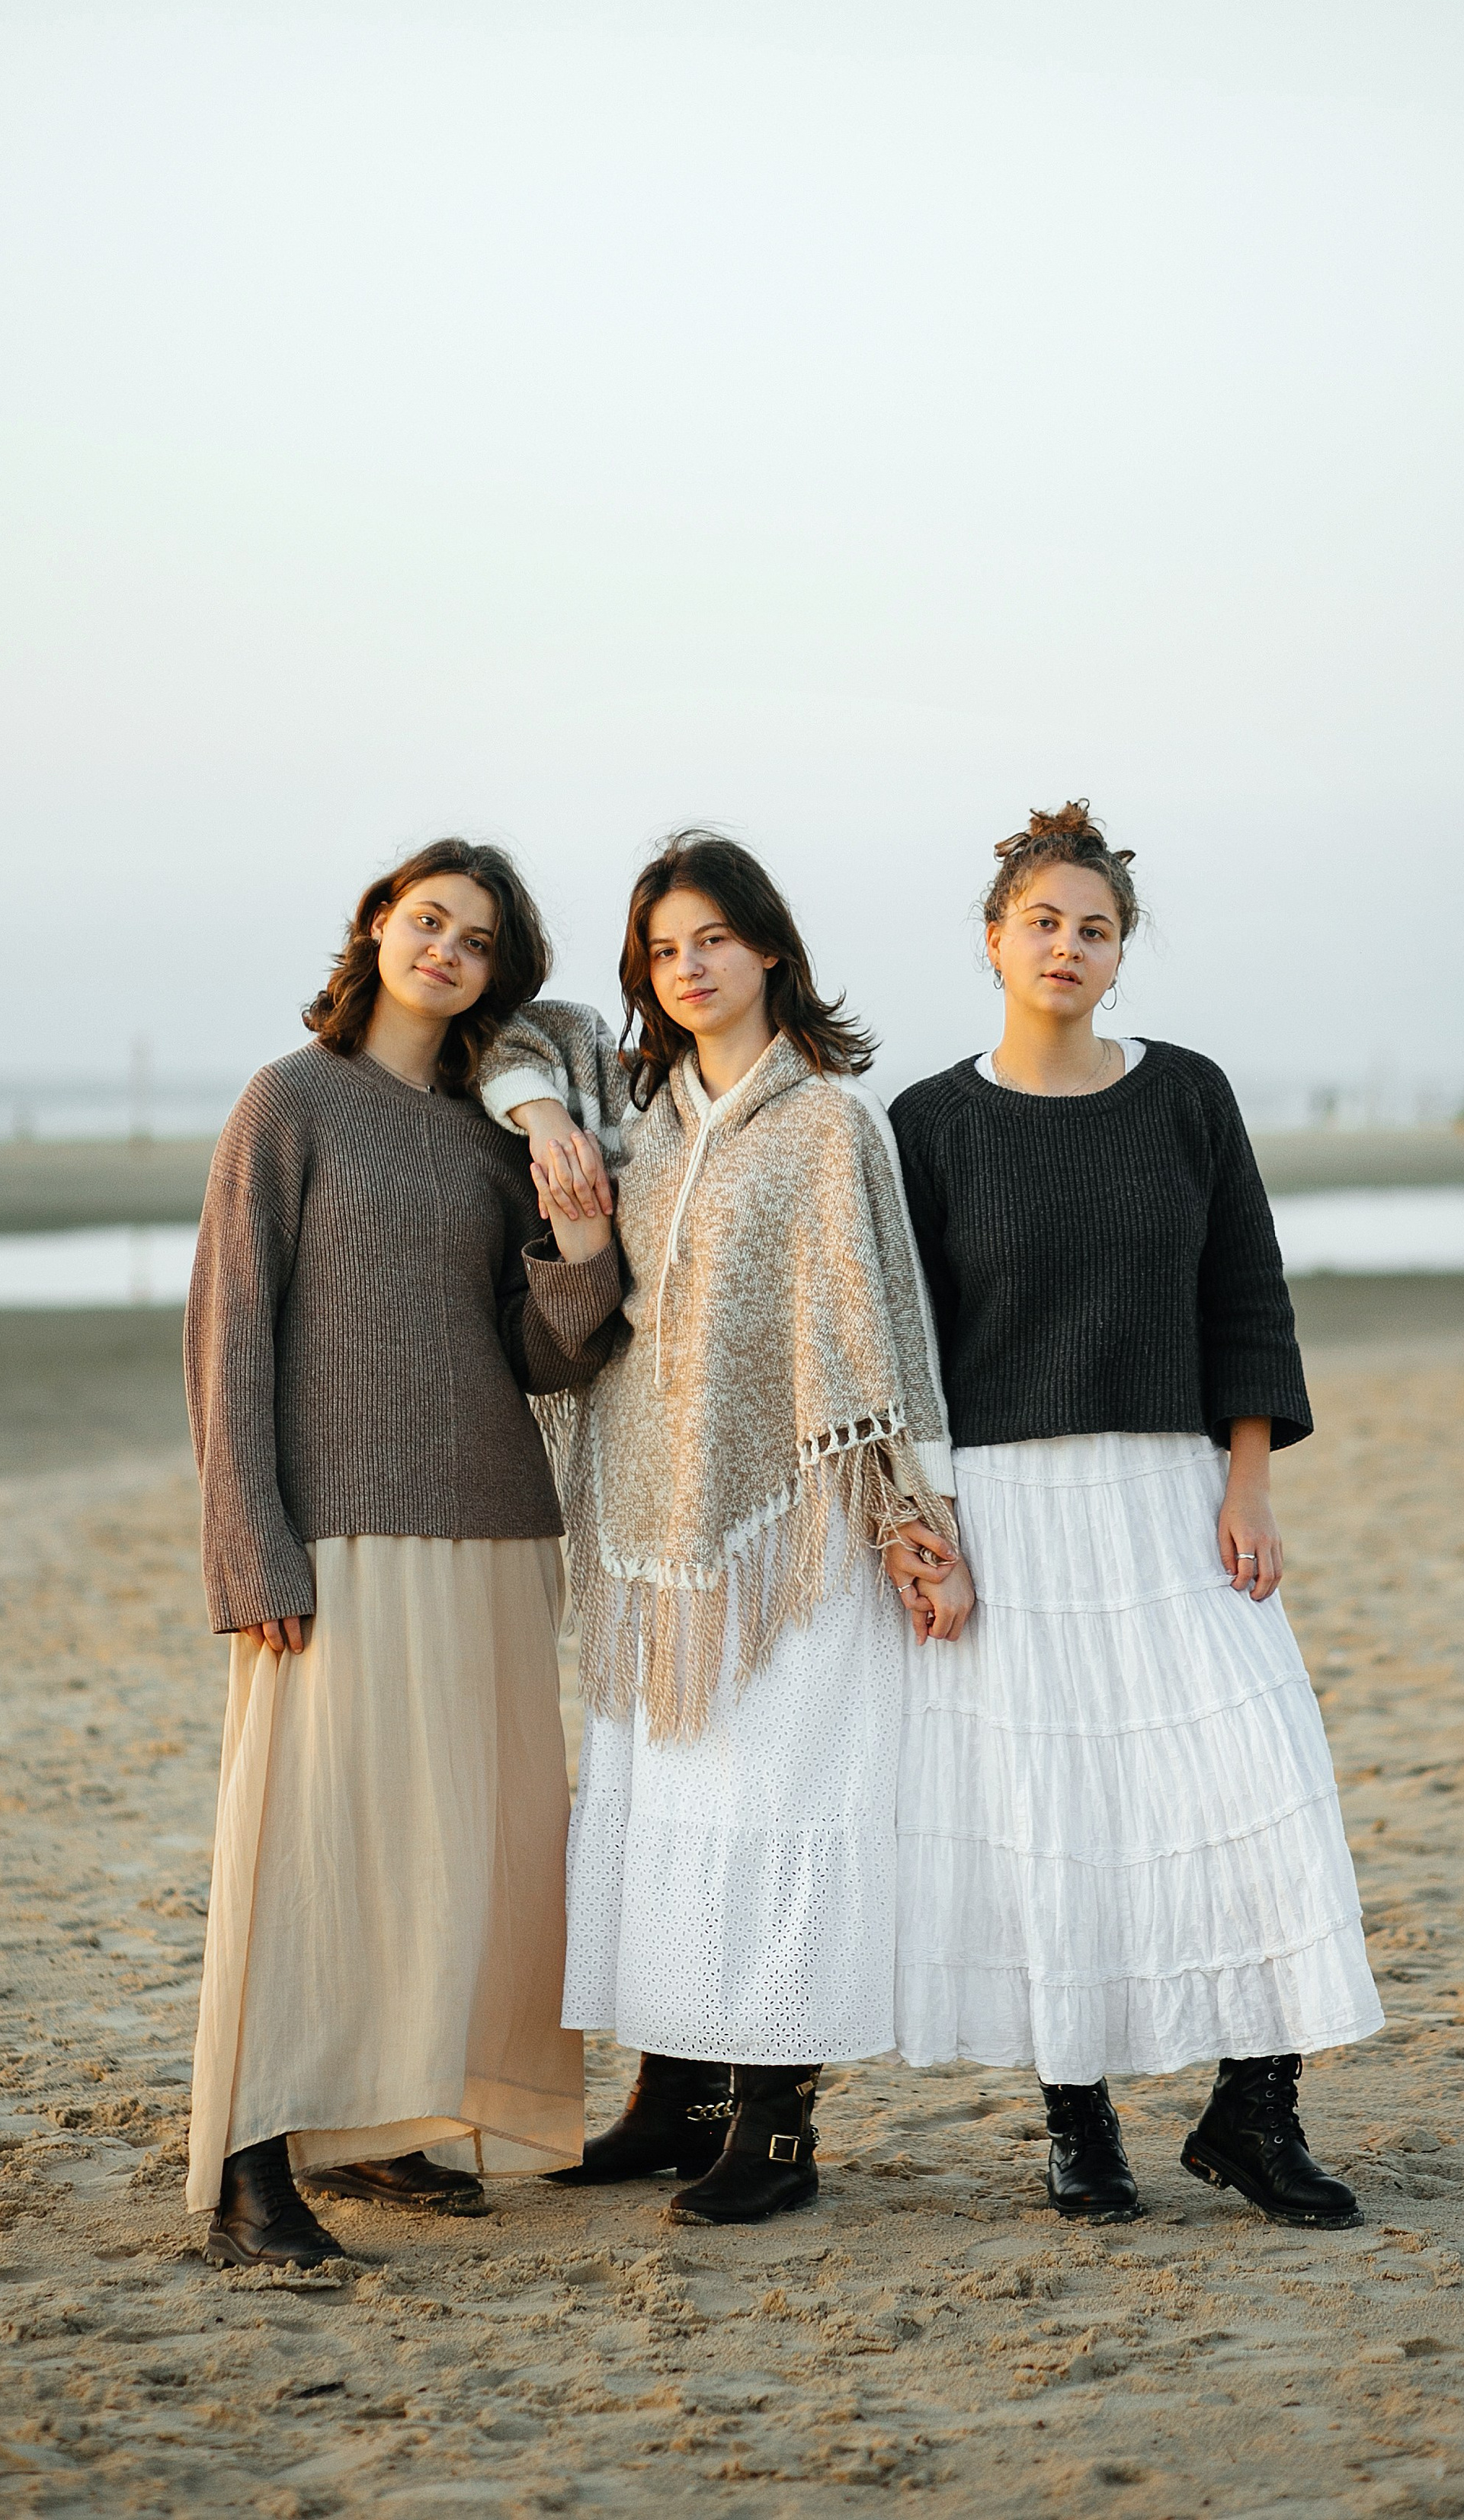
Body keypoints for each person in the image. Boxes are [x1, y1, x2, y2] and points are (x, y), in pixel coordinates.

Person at [887, 802, 1382, 2229]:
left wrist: (1249, 1479)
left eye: (1094, 928)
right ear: (994, 940)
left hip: (1174, 1492)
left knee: (1257, 1781)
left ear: (1120, 955)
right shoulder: (927, 1124)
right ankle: (1078, 2122)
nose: (1068, 945)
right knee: (1053, 1821)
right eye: (1043, 921)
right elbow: (904, 1346)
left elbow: (1247, 1293)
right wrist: (924, 1527)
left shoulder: (1187, 1096)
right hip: (1008, 1510)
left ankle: (1254, 2112)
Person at [479, 833, 967, 2225]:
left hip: (793, 1533)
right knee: (665, 1813)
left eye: (712, 939)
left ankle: (775, 2129)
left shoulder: (829, 1124)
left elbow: (880, 1324)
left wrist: (915, 1520)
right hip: (648, 1526)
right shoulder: (632, 1110)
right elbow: (512, 1034)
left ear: (770, 949)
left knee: (776, 1812)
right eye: (662, 949)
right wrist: (545, 1124)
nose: (687, 968)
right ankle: (674, 2098)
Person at [182, 839, 623, 2269]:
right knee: (308, 1845)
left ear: (499, 975)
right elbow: (231, 1331)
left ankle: (387, 2122)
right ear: (378, 925)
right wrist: (249, 1548)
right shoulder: (291, 1100)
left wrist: (579, 1244)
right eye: (428, 920)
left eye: (477, 940)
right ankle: (252, 2172)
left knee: (458, 1856)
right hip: (335, 1532)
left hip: (491, 1523)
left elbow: (544, 1356)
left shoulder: (497, 1136)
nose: (446, 950)